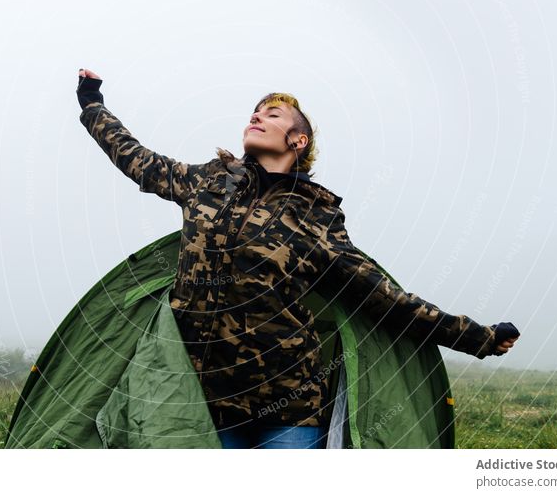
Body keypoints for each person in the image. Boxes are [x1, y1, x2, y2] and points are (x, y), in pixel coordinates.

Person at [75, 68, 521, 449]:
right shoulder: (206, 183)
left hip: (287, 407)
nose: (256, 116)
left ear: (297, 139)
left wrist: (476, 337)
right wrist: (93, 104)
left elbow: (382, 296)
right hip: (202, 400)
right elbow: (135, 157)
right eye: (255, 111)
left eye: (273, 114)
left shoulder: (316, 215)